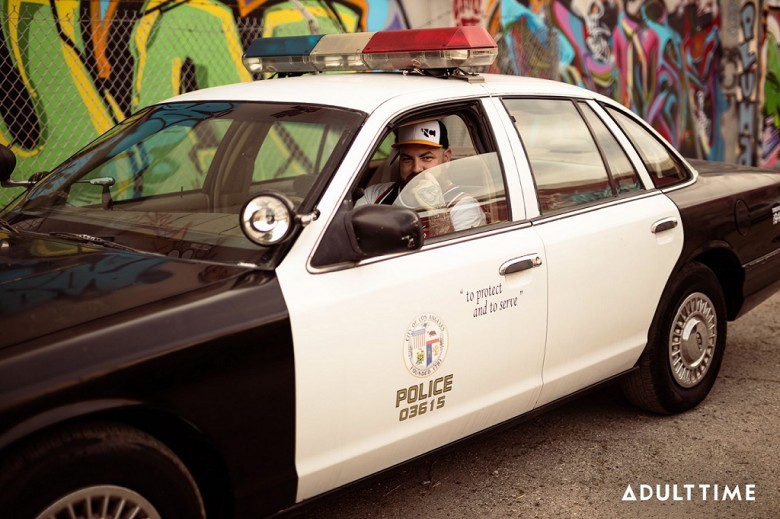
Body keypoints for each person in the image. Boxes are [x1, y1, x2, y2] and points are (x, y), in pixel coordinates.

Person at [355, 119, 486, 236]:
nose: (416, 168)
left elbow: (455, 254)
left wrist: (437, 210)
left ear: (446, 158)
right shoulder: (374, 196)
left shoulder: (463, 206)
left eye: (426, 158)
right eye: (407, 159)